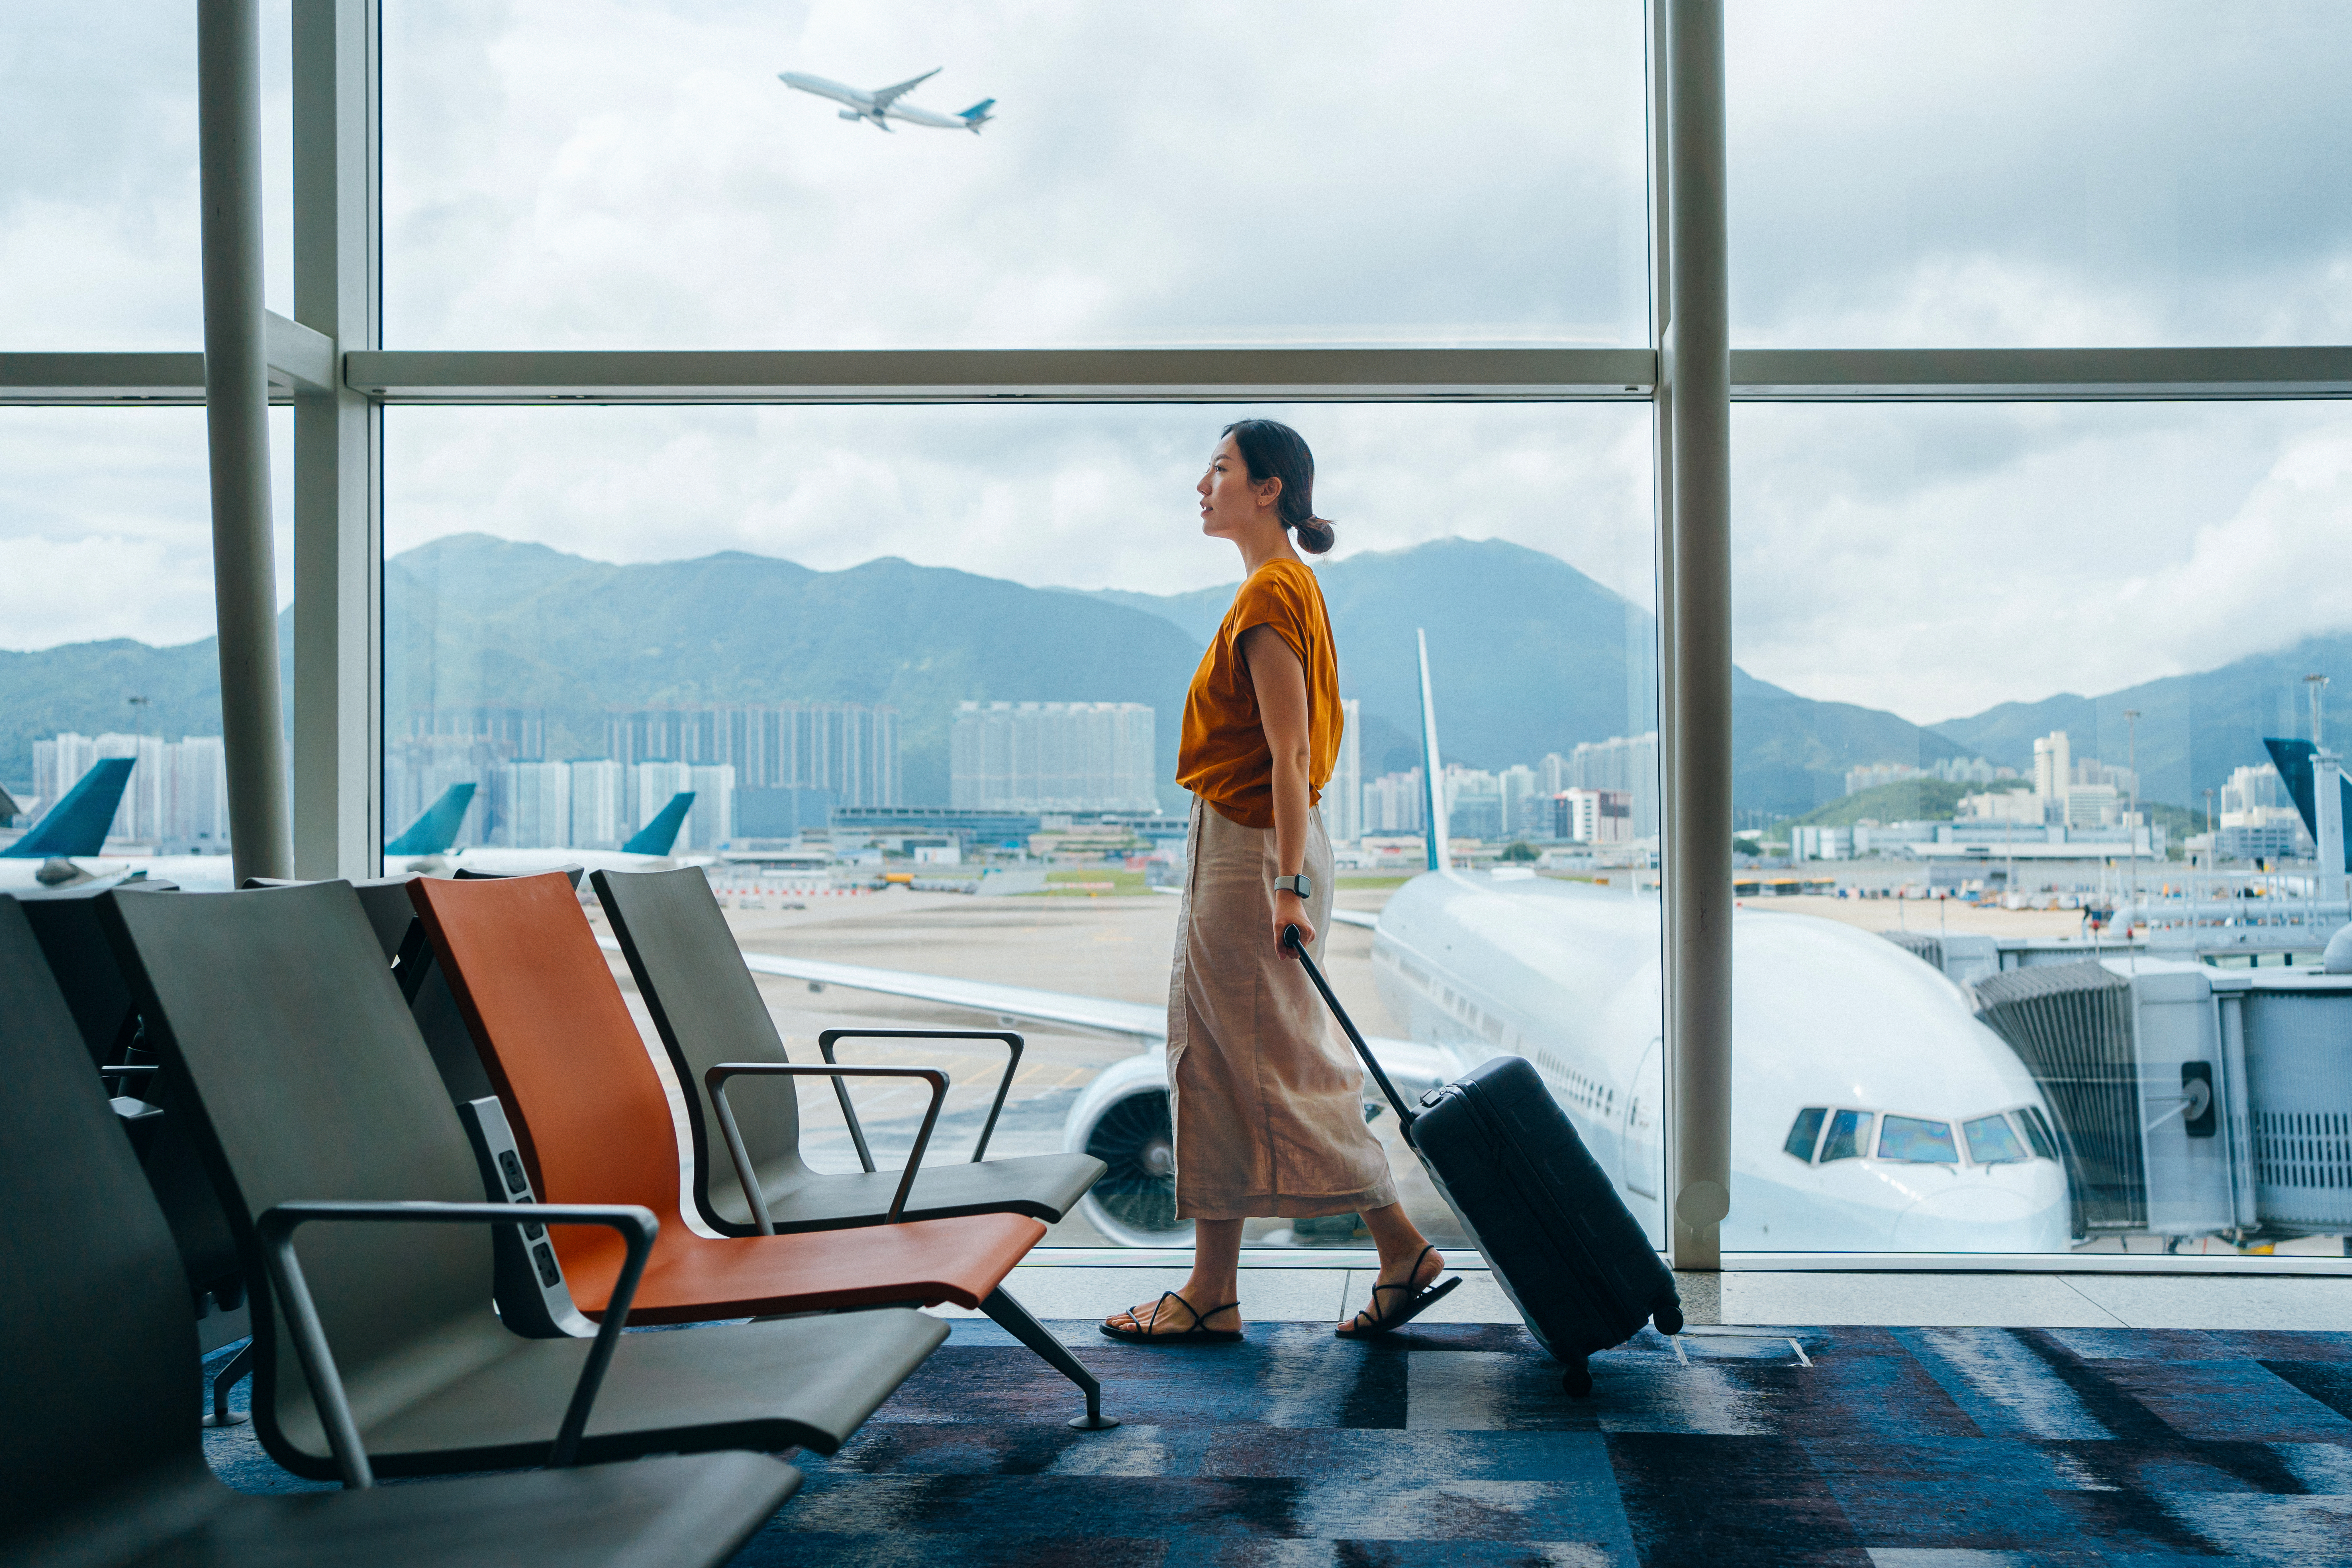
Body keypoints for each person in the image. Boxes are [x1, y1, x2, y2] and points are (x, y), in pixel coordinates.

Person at [1102, 419, 1457, 1345]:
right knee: (1217, 1059)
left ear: (1269, 489)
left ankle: (1398, 1248)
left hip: (1257, 849)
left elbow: (1291, 753)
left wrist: (1287, 884)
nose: (1201, 484)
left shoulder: (1269, 596)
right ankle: (1214, 1287)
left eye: (1219, 469)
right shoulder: (1284, 588)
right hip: (1252, 845)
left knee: (1278, 1060)